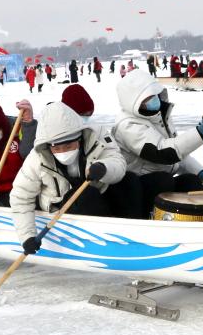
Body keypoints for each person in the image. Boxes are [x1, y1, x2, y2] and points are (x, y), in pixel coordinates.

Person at [11, 102, 143, 251]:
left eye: (68, 146)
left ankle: (135, 233)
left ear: (79, 139)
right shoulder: (36, 158)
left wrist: (104, 168)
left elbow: (117, 162)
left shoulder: (96, 137)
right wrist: (27, 236)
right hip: (61, 205)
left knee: (129, 180)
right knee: (87, 195)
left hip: (98, 193)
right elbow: (20, 197)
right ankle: (108, 242)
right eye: (57, 148)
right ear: (48, 146)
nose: (63, 152)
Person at [113, 69, 203, 215]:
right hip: (136, 187)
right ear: (134, 102)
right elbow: (163, 152)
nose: (153, 100)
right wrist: (200, 133)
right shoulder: (127, 125)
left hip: (162, 176)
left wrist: (199, 171)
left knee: (191, 181)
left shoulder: (158, 117)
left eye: (153, 95)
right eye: (146, 99)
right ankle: (151, 217)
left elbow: (176, 150)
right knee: (162, 180)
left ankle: (185, 217)